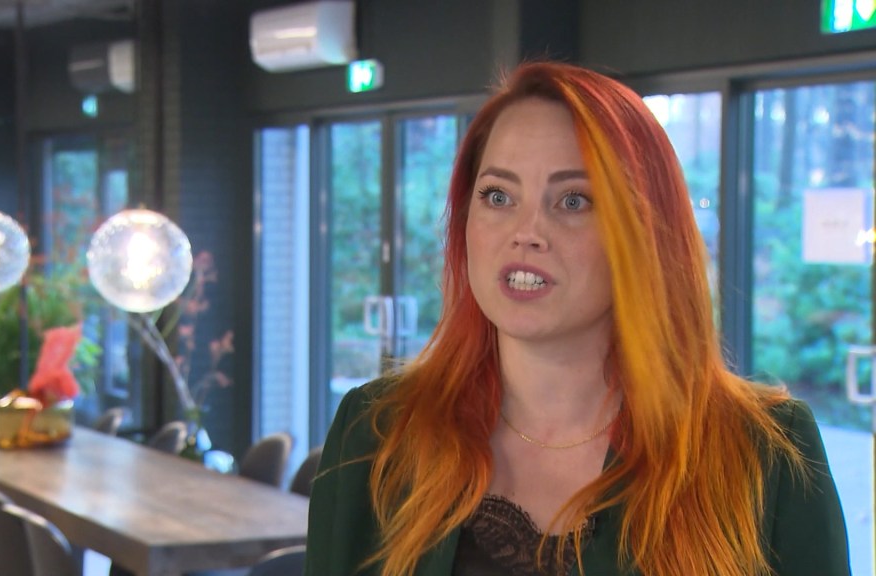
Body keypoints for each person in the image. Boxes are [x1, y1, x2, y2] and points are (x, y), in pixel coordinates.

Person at [303, 61, 850, 576]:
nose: (526, 232)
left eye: (573, 201)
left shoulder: (766, 453)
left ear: (643, 233)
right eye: (498, 195)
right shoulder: (376, 432)